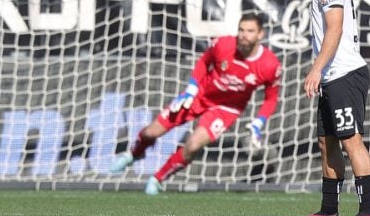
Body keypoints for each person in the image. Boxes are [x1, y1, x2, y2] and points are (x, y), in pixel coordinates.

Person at [111, 13, 282, 195]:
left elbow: (271, 98)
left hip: (226, 110)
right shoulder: (223, 45)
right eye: (241, 30)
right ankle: (134, 154)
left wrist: (259, 122)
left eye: (250, 31)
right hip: (199, 96)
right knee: (150, 132)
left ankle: (158, 179)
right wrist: (192, 88)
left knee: (193, 146)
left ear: (260, 34)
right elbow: (204, 61)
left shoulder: (270, 65)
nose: (243, 35)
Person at [294, 0, 370, 216]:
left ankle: (367, 210)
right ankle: (328, 210)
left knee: (351, 141)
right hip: (332, 77)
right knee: (326, 142)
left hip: (343, 74)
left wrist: (316, 68)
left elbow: (335, 28)